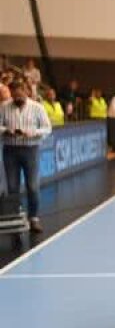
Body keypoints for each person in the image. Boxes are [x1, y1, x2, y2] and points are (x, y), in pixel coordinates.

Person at [1, 76, 52, 232]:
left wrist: (33, 132)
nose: (17, 98)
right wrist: (5, 131)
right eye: (14, 95)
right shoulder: (3, 107)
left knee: (32, 186)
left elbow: (47, 128)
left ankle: (34, 218)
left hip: (31, 150)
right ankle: (16, 217)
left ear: (26, 92)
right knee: (12, 187)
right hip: (10, 150)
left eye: (19, 95)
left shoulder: (37, 107)